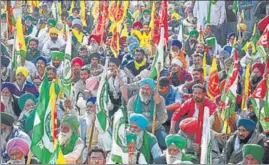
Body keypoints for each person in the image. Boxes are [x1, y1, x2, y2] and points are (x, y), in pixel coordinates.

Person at [127, 78, 168, 150]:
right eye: (143, 88)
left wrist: (158, 104)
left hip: (156, 129)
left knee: (165, 141)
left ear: (152, 90)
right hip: (137, 129)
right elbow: (131, 119)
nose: (145, 91)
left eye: (148, 89)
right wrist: (148, 126)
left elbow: (163, 119)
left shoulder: (160, 99)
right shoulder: (132, 100)